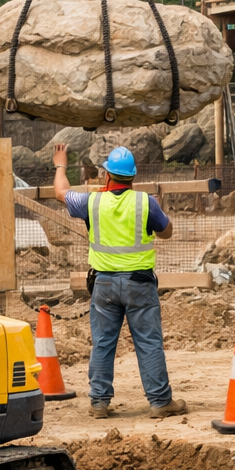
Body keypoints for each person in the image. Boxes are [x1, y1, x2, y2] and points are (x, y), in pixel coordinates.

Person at [53, 141, 186, 420]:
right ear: (133, 176)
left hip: (104, 285)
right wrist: (159, 218)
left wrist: (60, 165)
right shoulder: (145, 203)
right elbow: (167, 232)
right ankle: (160, 402)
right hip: (140, 284)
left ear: (106, 175)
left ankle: (99, 403)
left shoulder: (92, 201)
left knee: (103, 343)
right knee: (149, 342)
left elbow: (61, 191)